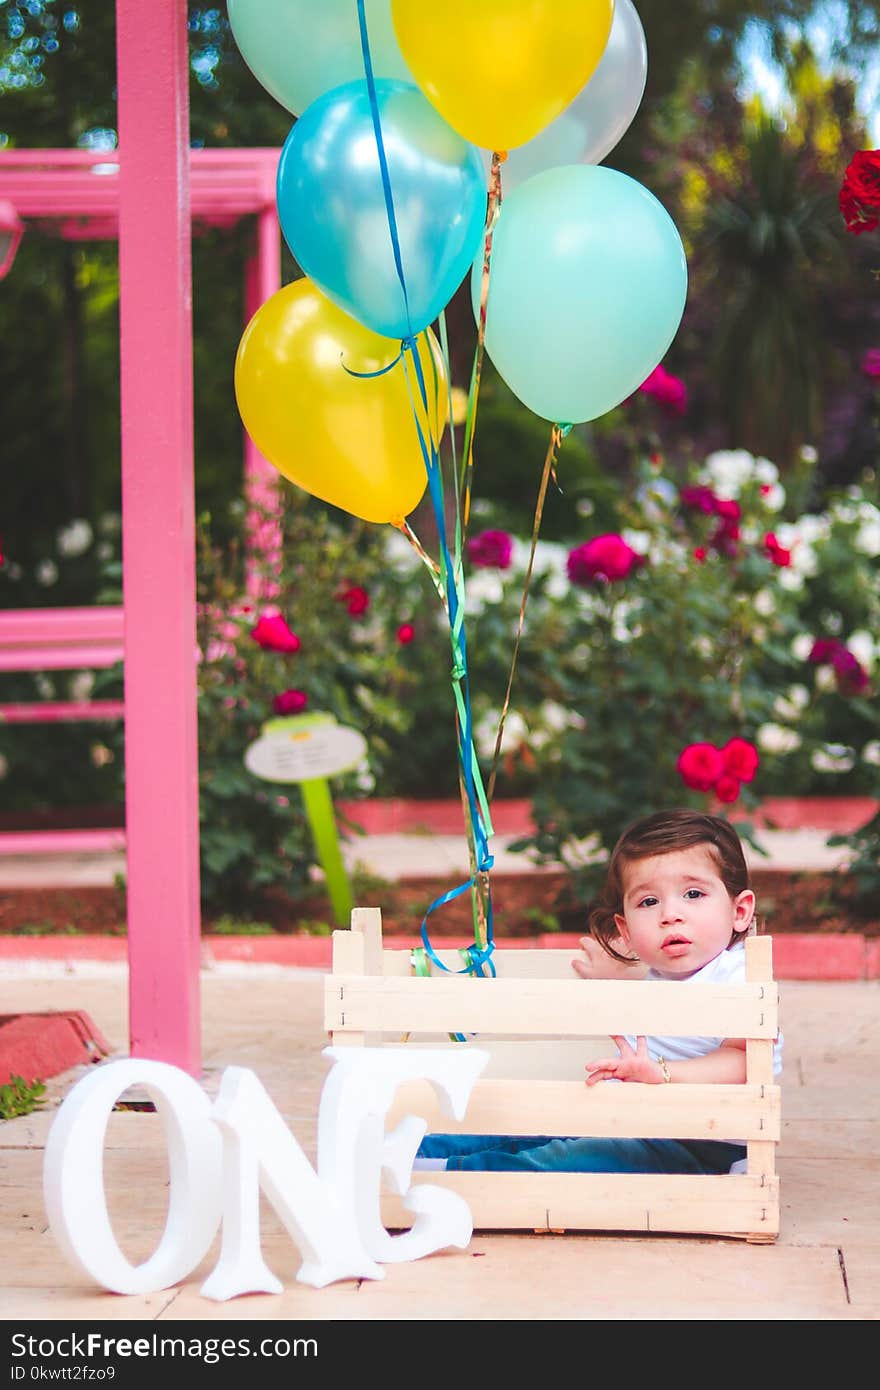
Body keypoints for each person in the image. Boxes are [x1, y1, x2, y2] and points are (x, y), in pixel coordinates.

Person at [414, 808, 782, 1174]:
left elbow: (746, 1061)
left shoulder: (740, 977)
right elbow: (662, 1000)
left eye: (693, 893)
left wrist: (663, 1074)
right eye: (648, 902)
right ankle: (416, 1151)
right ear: (625, 928)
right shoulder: (659, 976)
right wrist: (620, 980)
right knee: (527, 1126)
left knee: (563, 1160)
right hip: (636, 1121)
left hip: (700, 1142)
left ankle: (445, 1175)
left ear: (740, 911)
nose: (671, 914)